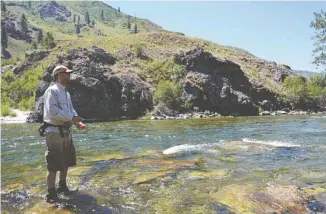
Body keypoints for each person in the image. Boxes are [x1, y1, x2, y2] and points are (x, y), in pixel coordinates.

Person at [42, 65, 86, 202]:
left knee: (66, 161)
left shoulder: (66, 93)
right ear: (59, 75)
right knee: (53, 165)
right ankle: (51, 194)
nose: (69, 76)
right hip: (54, 132)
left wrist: (77, 122)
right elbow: (52, 112)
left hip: (67, 131)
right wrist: (72, 118)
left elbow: (71, 111)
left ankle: (62, 187)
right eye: (67, 74)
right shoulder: (52, 91)